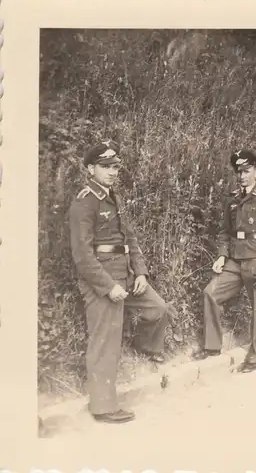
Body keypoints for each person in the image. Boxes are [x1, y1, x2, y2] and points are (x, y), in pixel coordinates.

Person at [69, 140, 176, 424]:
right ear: (91, 168)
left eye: (115, 167)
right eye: (105, 167)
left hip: (126, 274)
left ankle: (145, 348)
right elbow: (82, 256)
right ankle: (103, 406)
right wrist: (108, 286)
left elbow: (130, 239)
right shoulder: (84, 201)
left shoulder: (113, 196)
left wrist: (140, 272)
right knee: (105, 341)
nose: (113, 171)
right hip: (102, 280)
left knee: (158, 309)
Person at [194, 149, 256, 373]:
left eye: (247, 170)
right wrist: (222, 255)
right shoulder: (232, 200)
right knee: (210, 293)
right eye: (239, 171)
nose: (242, 175)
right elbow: (225, 232)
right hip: (234, 260)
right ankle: (212, 347)